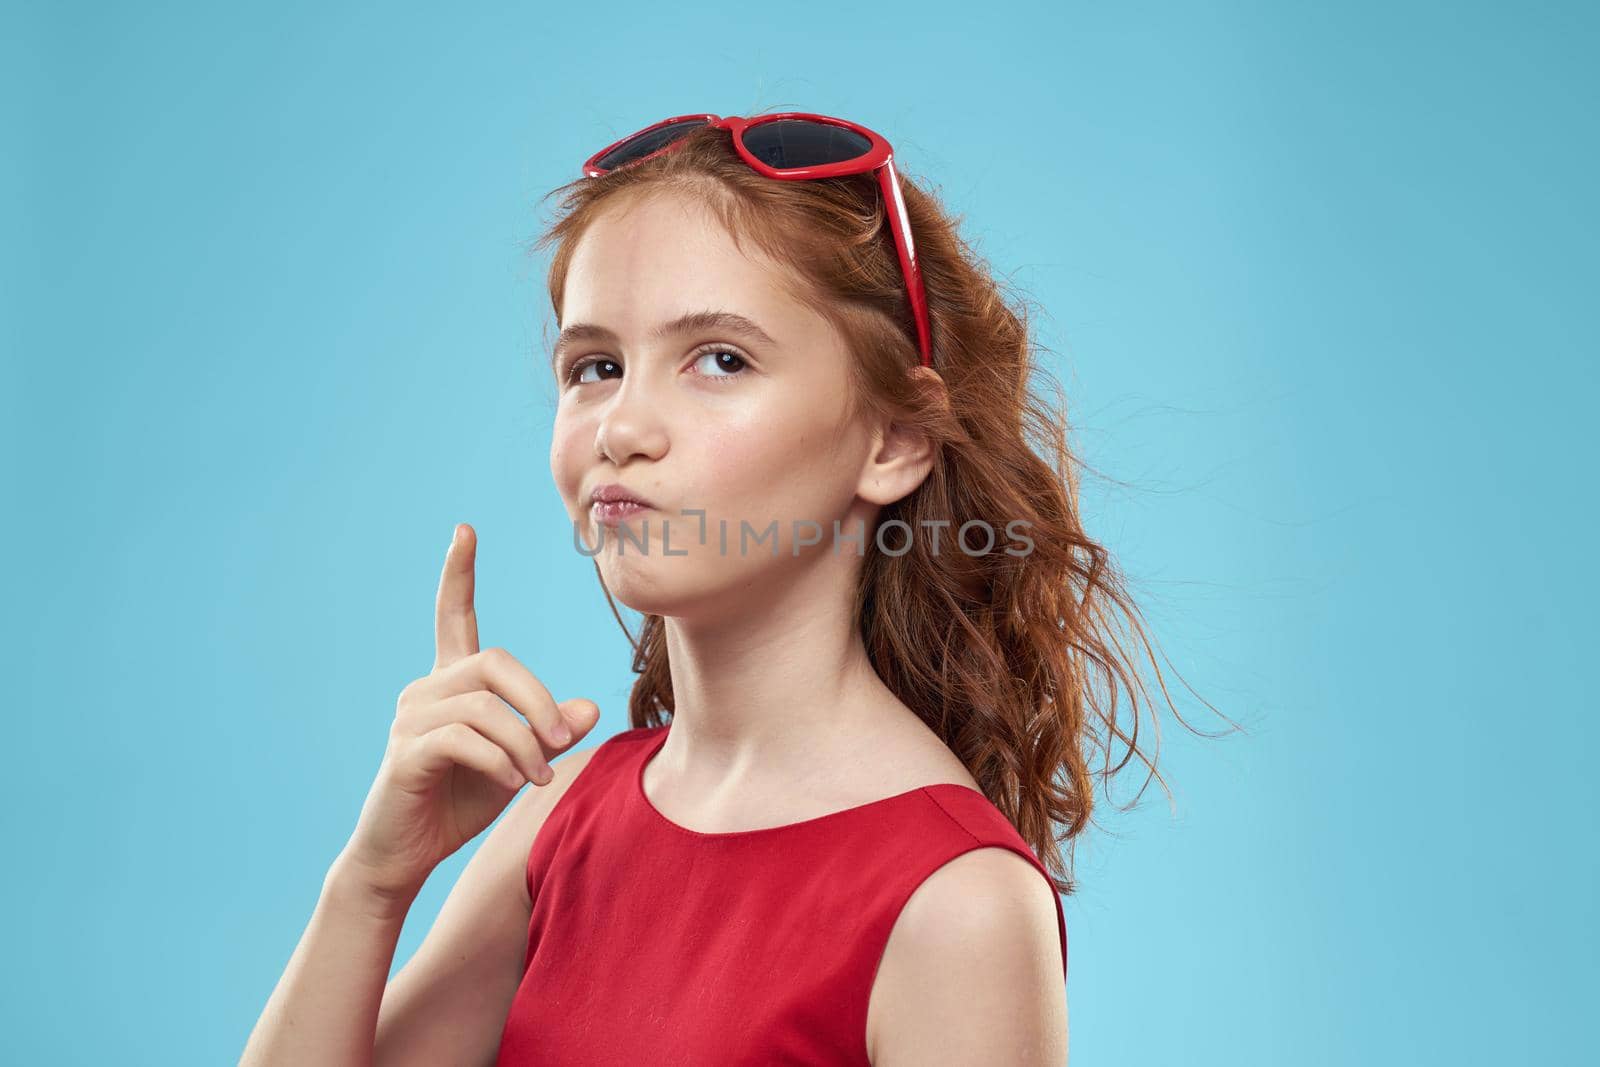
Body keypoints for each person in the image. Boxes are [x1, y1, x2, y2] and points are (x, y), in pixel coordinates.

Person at [241, 111, 1230, 1066]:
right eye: (594, 365)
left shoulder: (960, 902)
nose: (622, 427)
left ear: (894, 440)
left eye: (719, 359)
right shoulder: (568, 813)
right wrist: (372, 882)